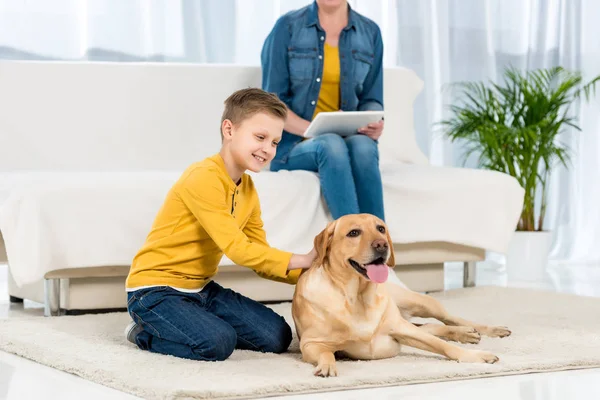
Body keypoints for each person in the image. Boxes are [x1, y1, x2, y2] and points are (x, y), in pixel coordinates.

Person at [124, 88, 317, 361]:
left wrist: (318, 272)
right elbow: (238, 249)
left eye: (275, 142)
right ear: (229, 129)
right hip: (154, 291)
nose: (267, 149)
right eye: (260, 137)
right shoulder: (203, 177)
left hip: (201, 289)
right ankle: (143, 333)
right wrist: (303, 258)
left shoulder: (248, 189)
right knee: (217, 343)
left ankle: (194, 321)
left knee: (278, 336)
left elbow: (259, 254)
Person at [261, 0, 386, 221]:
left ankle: (379, 246)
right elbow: (273, 107)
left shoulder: (370, 32)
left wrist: (374, 121)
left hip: (349, 138)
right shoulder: (287, 28)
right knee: (330, 144)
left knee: (364, 147)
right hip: (293, 145)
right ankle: (350, 245)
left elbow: (371, 99)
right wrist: (315, 130)